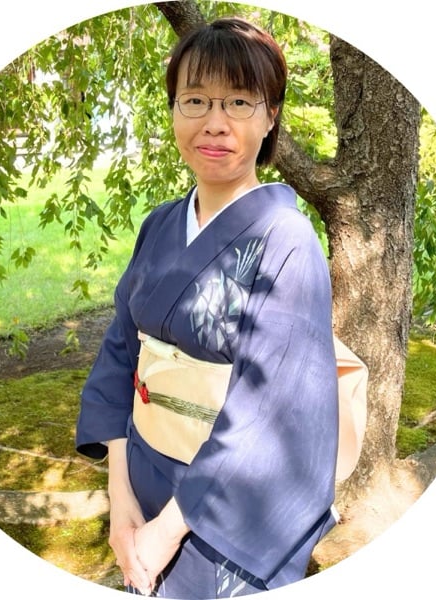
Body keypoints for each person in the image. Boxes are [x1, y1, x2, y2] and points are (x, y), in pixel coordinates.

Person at [76, 16, 339, 598]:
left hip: (221, 519)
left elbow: (269, 414)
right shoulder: (160, 224)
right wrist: (120, 499)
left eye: (239, 102)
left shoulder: (286, 241)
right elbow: (119, 352)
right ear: (174, 109)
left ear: (271, 117)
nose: (214, 122)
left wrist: (166, 532)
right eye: (195, 100)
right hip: (141, 485)